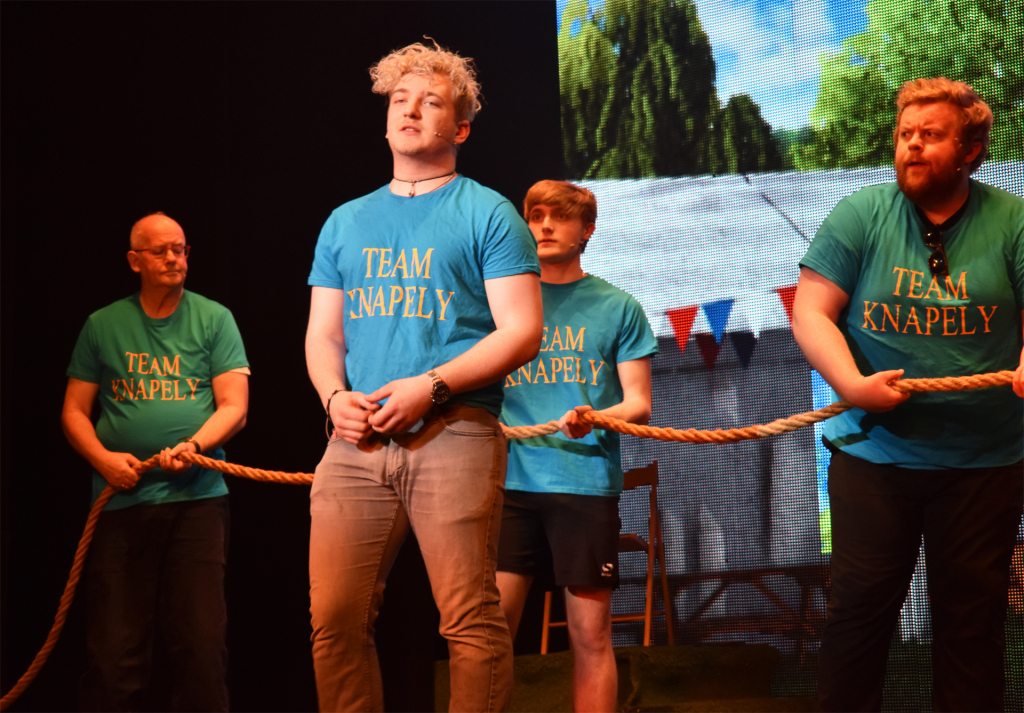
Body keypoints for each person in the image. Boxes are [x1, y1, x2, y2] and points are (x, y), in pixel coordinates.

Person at [304, 41, 543, 712]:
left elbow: (522, 331)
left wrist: (430, 386)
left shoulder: (488, 212)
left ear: (460, 128)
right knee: (334, 618)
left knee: (467, 618)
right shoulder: (345, 221)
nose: (410, 110)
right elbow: (324, 334)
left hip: (454, 428)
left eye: (431, 102)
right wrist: (332, 396)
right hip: (355, 440)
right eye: (400, 100)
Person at [793, 77, 1024, 712]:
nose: (912, 145)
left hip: (984, 463)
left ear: (971, 150)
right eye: (904, 134)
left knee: (972, 624)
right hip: (874, 456)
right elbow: (811, 311)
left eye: (931, 135)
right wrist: (850, 385)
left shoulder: (1013, 221)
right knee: (857, 616)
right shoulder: (859, 215)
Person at [62, 212, 250, 711]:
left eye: (180, 249)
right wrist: (104, 460)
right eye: (161, 250)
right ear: (134, 260)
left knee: (201, 647)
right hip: (121, 503)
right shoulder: (103, 324)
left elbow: (234, 406)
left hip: (198, 504)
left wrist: (195, 446)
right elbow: (74, 412)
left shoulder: (215, 318)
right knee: (114, 652)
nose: (173, 258)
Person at [497, 180, 657, 713]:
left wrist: (596, 418)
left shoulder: (618, 307)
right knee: (491, 633)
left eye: (560, 217)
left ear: (587, 230)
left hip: (584, 485)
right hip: (508, 484)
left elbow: (638, 404)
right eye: (536, 215)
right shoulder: (500, 304)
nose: (545, 226)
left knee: (589, 634)